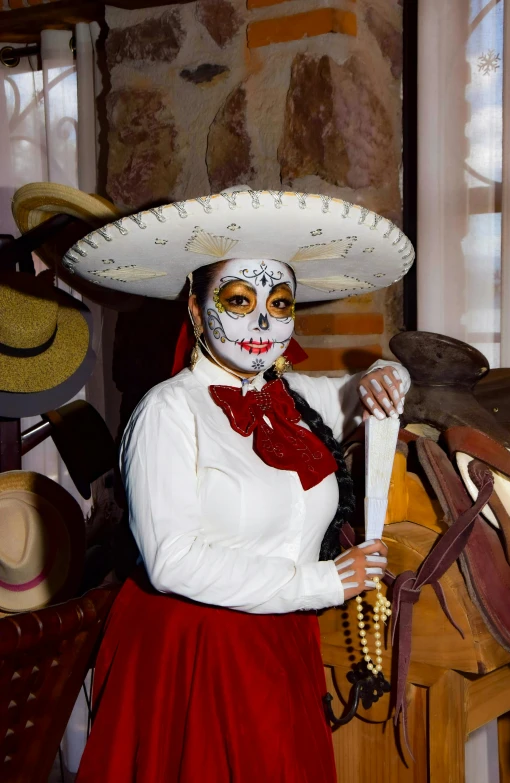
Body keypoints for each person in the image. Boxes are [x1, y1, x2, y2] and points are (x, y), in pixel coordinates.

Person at [72, 190, 413, 782]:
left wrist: (390, 375)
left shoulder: (293, 401)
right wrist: (323, 580)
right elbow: (171, 561)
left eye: (279, 303)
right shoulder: (166, 411)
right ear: (198, 312)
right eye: (239, 300)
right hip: (194, 652)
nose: (262, 322)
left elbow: (369, 388)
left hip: (282, 643)